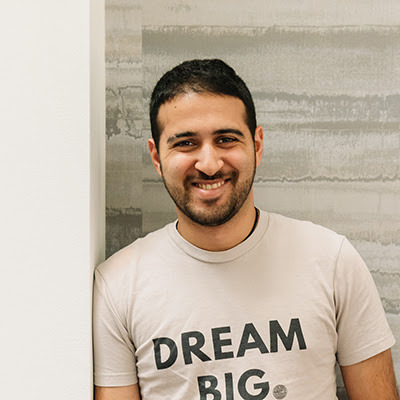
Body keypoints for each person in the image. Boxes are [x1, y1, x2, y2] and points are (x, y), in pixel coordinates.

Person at [93, 59, 398, 400]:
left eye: (226, 139)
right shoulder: (117, 285)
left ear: (257, 145)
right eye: (186, 143)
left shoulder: (331, 260)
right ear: (156, 157)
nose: (209, 164)